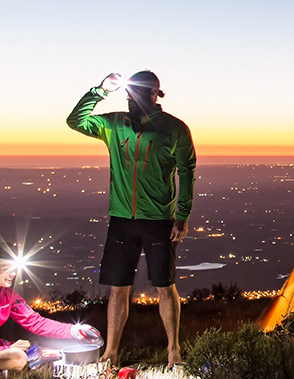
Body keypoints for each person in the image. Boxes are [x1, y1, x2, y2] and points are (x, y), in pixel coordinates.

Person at [66, 70, 197, 368]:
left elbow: (187, 170)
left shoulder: (174, 129)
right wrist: (99, 90)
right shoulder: (114, 123)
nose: (130, 99)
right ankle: (110, 353)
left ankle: (174, 352)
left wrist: (182, 215)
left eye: (136, 94)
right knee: (118, 288)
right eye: (128, 94)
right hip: (122, 218)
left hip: (159, 219)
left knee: (165, 285)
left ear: (154, 94)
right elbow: (76, 121)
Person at [0, 243, 100, 375]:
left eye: (13, 269)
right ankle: (8, 367)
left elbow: (34, 321)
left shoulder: (7, 295)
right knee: (17, 356)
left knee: (44, 350)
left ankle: (18, 365)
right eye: (5, 268)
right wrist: (6, 348)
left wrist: (74, 330)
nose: (12, 274)